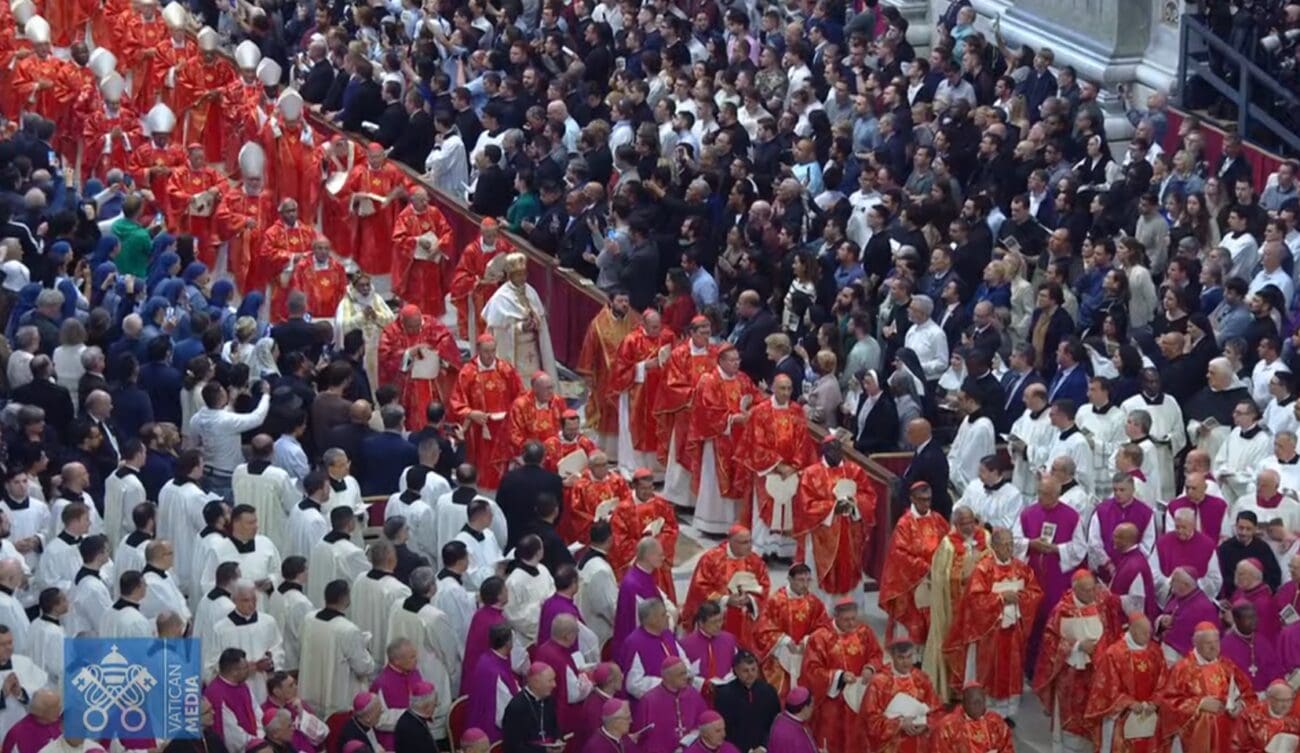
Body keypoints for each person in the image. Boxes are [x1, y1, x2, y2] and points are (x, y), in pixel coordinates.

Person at [941, 528, 1042, 720]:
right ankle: (984, 711)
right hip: (989, 633)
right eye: (1004, 544)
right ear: (994, 546)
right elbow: (974, 600)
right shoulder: (983, 569)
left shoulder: (1021, 568)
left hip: (1012, 631)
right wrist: (1001, 598)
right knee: (989, 672)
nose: (1009, 548)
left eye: (1011, 544)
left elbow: (1035, 592)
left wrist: (1020, 597)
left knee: (1011, 671)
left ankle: (1006, 713)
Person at [736, 374, 814, 558]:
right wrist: (778, 466)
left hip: (791, 472)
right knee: (766, 508)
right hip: (767, 471)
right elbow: (757, 443)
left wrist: (793, 465)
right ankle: (763, 548)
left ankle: (784, 550)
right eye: (782, 388)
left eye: (789, 389)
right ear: (773, 387)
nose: (786, 393)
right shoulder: (760, 411)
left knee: (790, 509)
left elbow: (803, 442)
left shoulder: (796, 411)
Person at [794, 437, 876, 608]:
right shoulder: (811, 473)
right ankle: (821, 610)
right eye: (831, 449)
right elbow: (806, 505)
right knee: (820, 574)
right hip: (823, 535)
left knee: (851, 570)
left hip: (850, 532)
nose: (836, 453)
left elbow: (869, 497)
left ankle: (850, 609)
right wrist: (833, 508)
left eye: (839, 449)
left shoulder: (854, 471)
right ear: (823, 450)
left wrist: (854, 504)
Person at [1156, 622, 1253, 753]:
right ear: (1196, 643)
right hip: (1197, 738)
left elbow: (1248, 694)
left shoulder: (1227, 666)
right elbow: (1167, 702)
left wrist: (1240, 706)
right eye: (1208, 643)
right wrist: (1200, 704)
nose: (1214, 647)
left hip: (1228, 734)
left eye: (1216, 642)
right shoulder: (1182, 669)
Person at [802, 598, 882, 753]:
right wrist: (838, 676)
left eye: (854, 618)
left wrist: (870, 668)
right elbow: (811, 670)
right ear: (835, 616)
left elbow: (876, 654)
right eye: (846, 620)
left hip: (858, 700)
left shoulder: (864, 632)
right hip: (832, 704)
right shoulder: (820, 637)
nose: (852, 624)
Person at [658, 317, 721, 509]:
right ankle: (679, 498)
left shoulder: (716, 354)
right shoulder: (680, 354)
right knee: (682, 452)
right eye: (702, 332)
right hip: (686, 413)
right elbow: (672, 384)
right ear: (692, 333)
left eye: (708, 332)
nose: (706, 336)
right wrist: (696, 395)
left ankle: (699, 501)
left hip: (707, 417)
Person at [449, 336, 525, 490]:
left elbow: (520, 396)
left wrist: (513, 414)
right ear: (478, 350)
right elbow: (456, 401)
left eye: (492, 351)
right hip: (479, 429)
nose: (490, 355)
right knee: (481, 463)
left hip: (503, 426)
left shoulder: (506, 369)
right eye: (486, 351)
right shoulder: (468, 372)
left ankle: (503, 487)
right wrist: (471, 413)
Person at [879, 482, 949, 646]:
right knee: (912, 624)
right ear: (912, 499)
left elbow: (948, 544)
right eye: (922, 499)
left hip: (935, 580)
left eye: (928, 500)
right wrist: (925, 568)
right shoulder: (905, 523)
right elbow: (899, 554)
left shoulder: (937, 519)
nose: (926, 504)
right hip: (910, 583)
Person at [681, 525, 770, 650]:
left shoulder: (755, 561)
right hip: (720, 617)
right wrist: (726, 599)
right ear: (731, 542)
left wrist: (749, 599)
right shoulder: (711, 559)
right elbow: (700, 587)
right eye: (744, 542)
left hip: (746, 621)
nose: (749, 546)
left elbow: (764, 586)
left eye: (750, 541)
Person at [609, 309, 675, 471]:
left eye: (659, 326)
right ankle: (636, 468)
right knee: (638, 431)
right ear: (643, 324)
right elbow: (619, 372)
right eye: (653, 327)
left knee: (660, 429)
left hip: (661, 393)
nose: (657, 331)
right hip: (637, 395)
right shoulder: (631, 341)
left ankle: (660, 471)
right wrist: (643, 366)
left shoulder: (667, 337)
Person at [576, 292, 640, 459]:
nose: (624, 304)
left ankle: (625, 452)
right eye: (620, 300)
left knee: (626, 411)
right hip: (605, 376)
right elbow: (589, 348)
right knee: (607, 412)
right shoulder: (598, 324)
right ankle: (608, 451)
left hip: (628, 378)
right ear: (611, 302)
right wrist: (588, 374)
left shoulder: (635, 321)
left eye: (626, 300)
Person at [204, 580, 286, 703]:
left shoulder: (268, 622)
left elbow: (277, 648)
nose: (251, 605)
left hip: (263, 684)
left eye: (254, 600)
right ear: (234, 600)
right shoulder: (221, 629)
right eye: (246, 600)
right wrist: (244, 668)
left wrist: (271, 661)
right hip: (235, 689)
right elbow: (212, 663)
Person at [482, 253, 557, 380]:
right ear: (510, 276)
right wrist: (521, 326)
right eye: (518, 274)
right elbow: (499, 332)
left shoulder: (530, 291)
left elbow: (541, 320)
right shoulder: (500, 298)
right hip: (515, 352)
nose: (522, 278)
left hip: (532, 350)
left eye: (524, 274)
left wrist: (536, 321)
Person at [862, 639, 940, 753]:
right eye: (901, 658)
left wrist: (926, 723)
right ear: (892, 657)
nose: (906, 662)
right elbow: (870, 721)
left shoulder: (922, 679)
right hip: (890, 746)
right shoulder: (879, 682)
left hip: (919, 743)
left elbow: (937, 711)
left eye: (909, 657)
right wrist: (900, 724)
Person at [391, 188, 453, 318]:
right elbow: (398, 240)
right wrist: (418, 241)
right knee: (417, 298)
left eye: (426, 199)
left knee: (433, 297)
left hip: (433, 265)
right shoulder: (405, 217)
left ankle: (434, 323)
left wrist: (438, 247)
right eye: (421, 200)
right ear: (412, 200)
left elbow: (447, 232)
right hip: (415, 268)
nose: (425, 203)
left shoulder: (434, 212)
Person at [449, 217, 512, 341]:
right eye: (488, 235)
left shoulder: (504, 246)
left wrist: (504, 275)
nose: (491, 238)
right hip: (479, 296)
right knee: (479, 335)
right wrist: (479, 281)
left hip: (498, 294)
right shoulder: (471, 250)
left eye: (494, 234)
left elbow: (513, 266)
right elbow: (460, 278)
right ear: (482, 233)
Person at [629, 656, 708, 752]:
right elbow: (640, 735)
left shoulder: (693, 694)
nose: (686, 677)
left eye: (685, 673)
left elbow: (704, 722)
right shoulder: (649, 700)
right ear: (667, 677)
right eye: (681, 674)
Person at [1152, 508, 1223, 604]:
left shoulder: (1207, 545)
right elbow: (1153, 572)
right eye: (1177, 527)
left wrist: (1190, 587)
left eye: (1184, 527)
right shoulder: (1163, 543)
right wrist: (1170, 584)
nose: (1180, 531)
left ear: (1193, 525)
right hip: (1169, 597)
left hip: (1197, 600)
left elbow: (1214, 578)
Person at [932, 683, 1015, 752]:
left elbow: (1007, 748)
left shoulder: (995, 722)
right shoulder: (949, 726)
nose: (978, 706)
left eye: (981, 702)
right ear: (963, 703)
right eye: (974, 703)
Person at [501, 662, 561, 753]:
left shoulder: (549, 701)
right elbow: (513, 746)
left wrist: (558, 740)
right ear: (536, 682)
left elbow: (555, 727)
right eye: (550, 681)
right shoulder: (516, 707)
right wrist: (543, 751)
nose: (554, 685)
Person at [1231, 680, 1300, 752]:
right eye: (1281, 700)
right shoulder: (1250, 717)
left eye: (1289, 700)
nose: (1286, 705)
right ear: (1270, 699)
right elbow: (1237, 746)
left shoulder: (1294, 719)